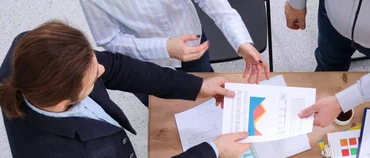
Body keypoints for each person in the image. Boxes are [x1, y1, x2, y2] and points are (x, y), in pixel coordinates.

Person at [0, 21, 251, 158]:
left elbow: (118, 67)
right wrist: (214, 150)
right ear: (65, 99)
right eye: (93, 75)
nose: (102, 69)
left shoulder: (34, 50)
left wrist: (197, 86)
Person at [80, 0, 270, 105]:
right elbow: (110, 39)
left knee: (209, 100)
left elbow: (216, 5)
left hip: (194, 46)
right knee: (166, 114)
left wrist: (241, 42)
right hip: (143, 66)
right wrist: (164, 47)